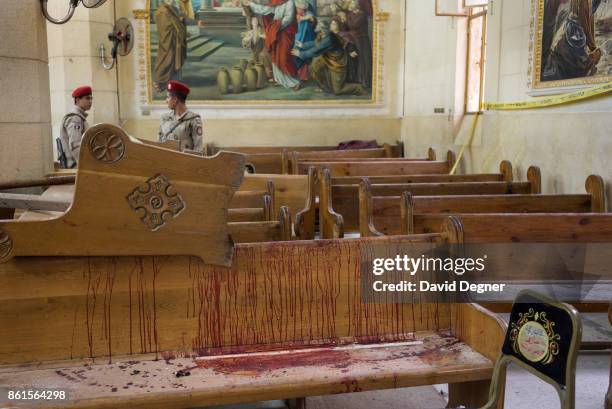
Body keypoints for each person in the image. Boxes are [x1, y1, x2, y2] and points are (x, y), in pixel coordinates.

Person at [292, 19, 366, 96]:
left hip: (337, 62)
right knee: (314, 67)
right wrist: (302, 45)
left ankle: (358, 88)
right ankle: (325, 88)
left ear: (323, 29)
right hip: (327, 59)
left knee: (338, 90)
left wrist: (301, 54)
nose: (316, 26)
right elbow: (315, 43)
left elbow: (316, 50)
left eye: (318, 26)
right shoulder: (322, 34)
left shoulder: (329, 38)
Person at [245, 0, 301, 90]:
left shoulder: (290, 2)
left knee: (284, 57)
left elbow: (289, 18)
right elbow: (265, 10)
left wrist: (276, 28)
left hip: (285, 32)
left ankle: (294, 82)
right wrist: (251, 4)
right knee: (275, 56)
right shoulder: (276, 1)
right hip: (277, 31)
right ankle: (280, 80)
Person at [158, 80, 204, 153]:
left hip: (184, 162)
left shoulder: (193, 119)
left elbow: (198, 150)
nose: (166, 101)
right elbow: (158, 144)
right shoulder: (164, 118)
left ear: (175, 99)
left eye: (168, 97)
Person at [154, 0, 188, 91]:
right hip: (167, 39)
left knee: (173, 58)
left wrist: (181, 21)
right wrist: (179, 23)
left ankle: (170, 81)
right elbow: (165, 26)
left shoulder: (173, 9)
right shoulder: (163, 10)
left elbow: (177, 20)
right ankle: (159, 82)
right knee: (166, 59)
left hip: (173, 39)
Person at [59, 86, 93, 168]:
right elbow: (76, 145)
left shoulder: (79, 117)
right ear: (78, 100)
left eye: (91, 99)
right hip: (76, 166)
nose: (90, 101)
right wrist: (85, 166)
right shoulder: (75, 118)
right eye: (87, 98)